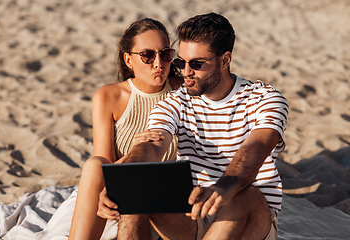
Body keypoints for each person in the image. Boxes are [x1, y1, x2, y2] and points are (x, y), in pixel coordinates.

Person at [97, 12, 289, 240]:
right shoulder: (176, 101)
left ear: (225, 60)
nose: (186, 72)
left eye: (197, 64)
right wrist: (122, 178)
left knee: (246, 195)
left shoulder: (264, 98)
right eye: (181, 62)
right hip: (193, 214)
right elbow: (151, 146)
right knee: (138, 183)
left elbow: (255, 148)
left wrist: (224, 187)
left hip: (247, 218)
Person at [67, 18, 183, 240]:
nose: (159, 63)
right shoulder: (110, 96)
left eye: (165, 54)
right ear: (128, 60)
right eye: (148, 55)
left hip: (167, 196)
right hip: (116, 192)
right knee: (94, 165)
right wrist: (136, 154)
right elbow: (104, 165)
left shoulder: (183, 92)